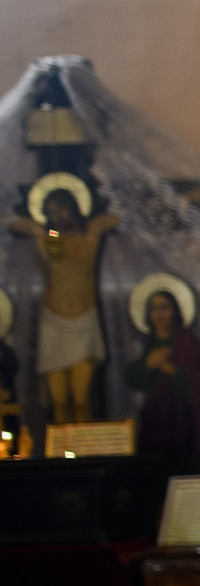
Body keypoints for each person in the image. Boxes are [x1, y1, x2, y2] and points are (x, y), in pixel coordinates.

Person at [8, 178, 117, 424]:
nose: (56, 215)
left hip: (83, 320)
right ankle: (64, 456)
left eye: (61, 208)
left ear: (74, 207)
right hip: (54, 322)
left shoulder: (90, 233)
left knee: (80, 400)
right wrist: (36, 228)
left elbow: (120, 216)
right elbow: (50, 259)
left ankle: (83, 454)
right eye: (51, 211)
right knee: (59, 402)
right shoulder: (53, 237)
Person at [125, 284, 200, 474]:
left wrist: (173, 371)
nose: (158, 314)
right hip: (153, 425)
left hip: (182, 427)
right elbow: (133, 378)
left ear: (175, 311)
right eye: (153, 308)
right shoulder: (148, 346)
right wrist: (148, 365)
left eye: (164, 307)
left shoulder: (188, 344)